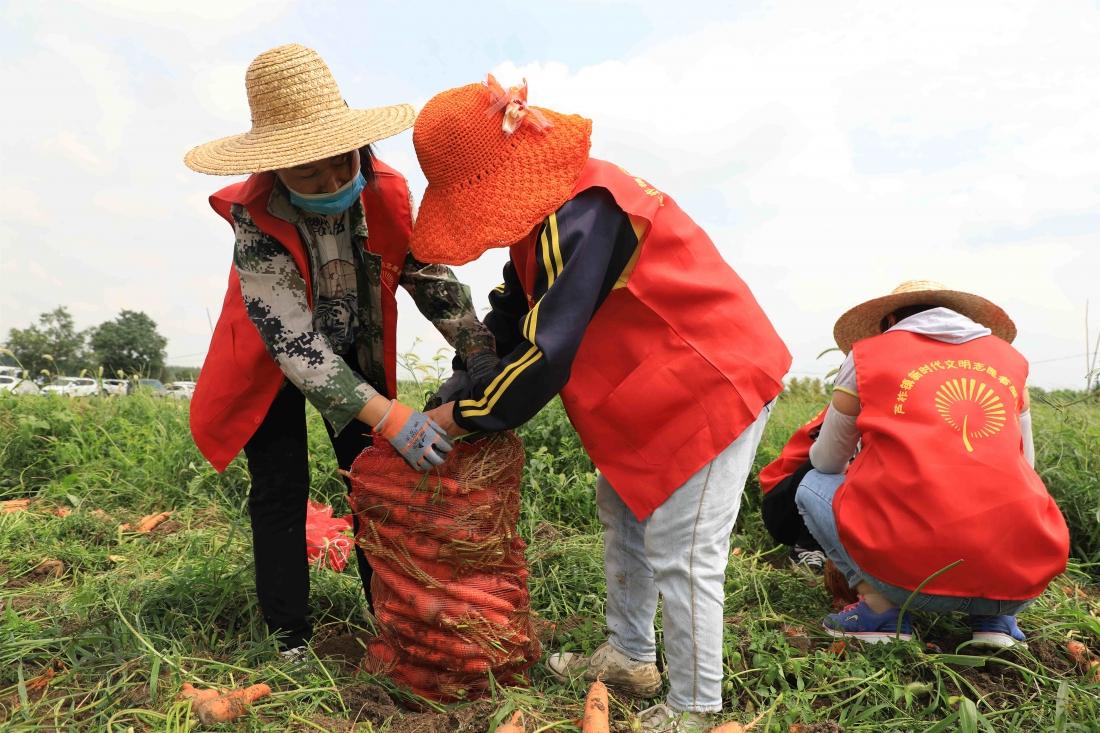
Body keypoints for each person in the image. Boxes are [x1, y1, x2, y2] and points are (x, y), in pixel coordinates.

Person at [410, 75, 792, 731]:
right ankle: (631, 655)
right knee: (624, 514)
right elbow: (511, 315)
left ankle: (697, 708)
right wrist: (450, 390)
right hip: (654, 391)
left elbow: (542, 355)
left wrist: (461, 417)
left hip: (711, 383)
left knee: (683, 547)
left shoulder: (585, 210)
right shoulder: (542, 221)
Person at [183, 45, 495, 657]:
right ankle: (289, 636)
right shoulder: (256, 216)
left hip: (353, 348)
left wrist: (480, 351)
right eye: (309, 174)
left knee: (372, 480)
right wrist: (389, 413)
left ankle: (395, 616)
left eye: (339, 163)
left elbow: (428, 278)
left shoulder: (385, 190)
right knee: (280, 487)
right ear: (277, 169)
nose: (331, 182)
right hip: (270, 361)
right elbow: (295, 342)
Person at [796, 280, 1069, 646]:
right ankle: (995, 622)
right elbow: (1025, 465)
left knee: (812, 483)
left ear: (891, 319)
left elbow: (827, 461)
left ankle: (880, 611)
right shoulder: (1011, 364)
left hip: (910, 583)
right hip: (1018, 583)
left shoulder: (866, 356)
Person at [757, 405, 829, 572]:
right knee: (831, 459)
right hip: (784, 507)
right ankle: (806, 548)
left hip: (806, 499)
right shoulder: (851, 403)